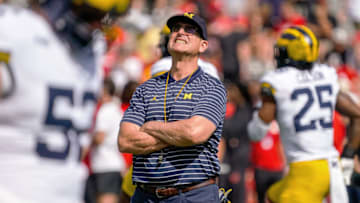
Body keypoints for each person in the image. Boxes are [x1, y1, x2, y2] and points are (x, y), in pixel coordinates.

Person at [0, 1, 129, 202]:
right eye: (89, 14)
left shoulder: (93, 49)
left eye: (103, 18)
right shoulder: (13, 30)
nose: (96, 26)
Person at [118, 12, 227, 202]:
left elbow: (194, 133)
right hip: (145, 195)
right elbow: (125, 141)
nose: (181, 32)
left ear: (203, 45)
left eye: (190, 29)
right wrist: (178, 135)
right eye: (176, 28)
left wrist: (151, 127)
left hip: (192, 194)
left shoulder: (212, 86)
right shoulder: (146, 88)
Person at [247, 25, 360, 203]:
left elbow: (257, 132)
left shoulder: (277, 82)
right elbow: (357, 114)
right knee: (272, 195)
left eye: (282, 51)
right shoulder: (326, 74)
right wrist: (348, 155)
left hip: (306, 170)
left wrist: (262, 109)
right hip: (331, 167)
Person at [90, 78, 126, 203]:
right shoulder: (116, 109)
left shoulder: (105, 110)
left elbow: (100, 138)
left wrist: (86, 138)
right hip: (113, 163)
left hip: (105, 164)